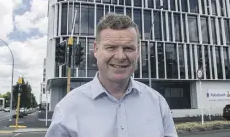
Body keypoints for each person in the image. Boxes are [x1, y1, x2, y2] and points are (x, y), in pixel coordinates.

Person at [45, 13, 177, 137]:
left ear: (138, 51)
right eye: (111, 47)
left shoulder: (158, 104)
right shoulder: (68, 108)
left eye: (128, 48)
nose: (120, 57)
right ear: (96, 49)